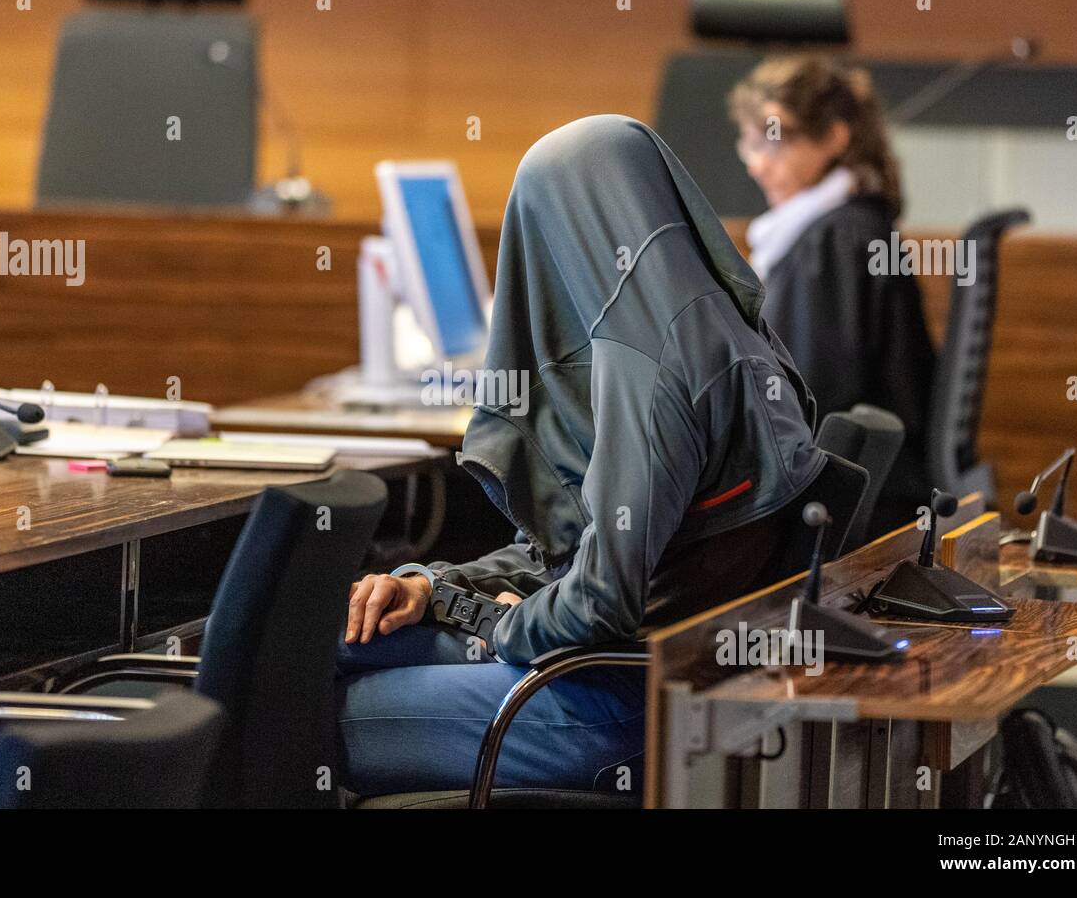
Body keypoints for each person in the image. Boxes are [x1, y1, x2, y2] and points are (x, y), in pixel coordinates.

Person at [336, 114, 826, 797]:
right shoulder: (724, 330)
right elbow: (583, 554)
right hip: (646, 673)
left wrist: (501, 622)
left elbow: (599, 601)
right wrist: (437, 588)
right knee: (325, 640)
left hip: (610, 701)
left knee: (300, 705)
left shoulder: (649, 367)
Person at [729, 56, 935, 535]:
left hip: (849, 511)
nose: (757, 163)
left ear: (834, 138)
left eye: (774, 141)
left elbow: (802, 402)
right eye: (750, 141)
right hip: (876, 493)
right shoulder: (856, 224)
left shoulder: (831, 243)